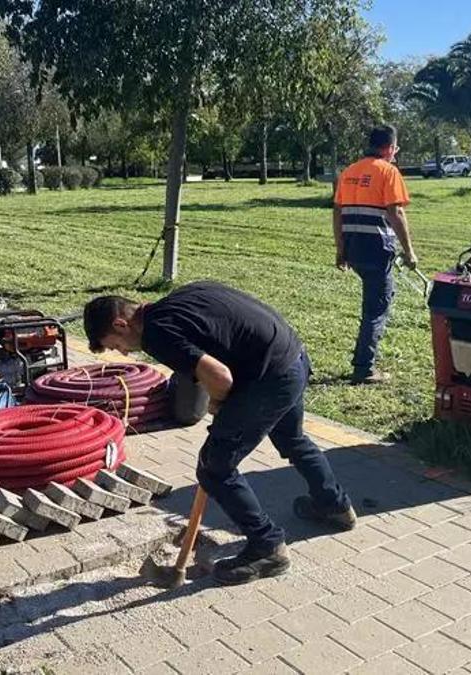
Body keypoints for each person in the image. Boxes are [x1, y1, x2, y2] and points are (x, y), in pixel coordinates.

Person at [83, 282, 356, 585]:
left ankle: (267, 547)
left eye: (114, 345)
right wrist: (222, 399)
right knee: (292, 438)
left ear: (121, 324)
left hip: (270, 378)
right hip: (292, 357)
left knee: (215, 466)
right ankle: (334, 505)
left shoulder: (158, 334)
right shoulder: (178, 300)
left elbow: (219, 377)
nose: (121, 352)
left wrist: (223, 404)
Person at [334, 124, 418, 385]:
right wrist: (409, 251)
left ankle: (363, 361)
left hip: (354, 247)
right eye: (396, 148)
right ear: (389, 148)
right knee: (377, 308)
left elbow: (337, 212)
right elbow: (396, 213)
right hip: (377, 249)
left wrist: (341, 249)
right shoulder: (388, 171)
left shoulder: (349, 172)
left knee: (375, 300)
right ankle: (364, 368)